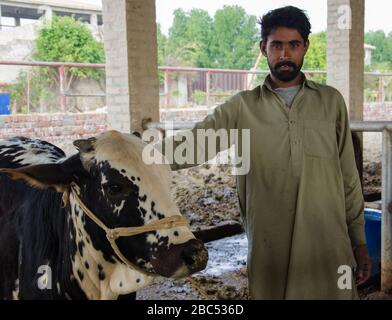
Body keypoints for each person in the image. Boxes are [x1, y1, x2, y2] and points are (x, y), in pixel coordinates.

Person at [155, 6, 371, 299]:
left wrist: (359, 241)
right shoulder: (242, 107)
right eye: (276, 45)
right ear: (263, 48)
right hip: (271, 249)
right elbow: (195, 143)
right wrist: (137, 156)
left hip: (329, 246)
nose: (285, 54)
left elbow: (348, 177)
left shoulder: (331, 102)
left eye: (293, 45)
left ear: (305, 46)